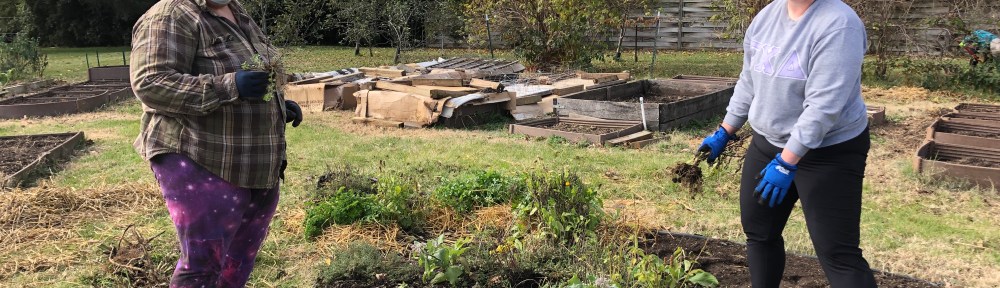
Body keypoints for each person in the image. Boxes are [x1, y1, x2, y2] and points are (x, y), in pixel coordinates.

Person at [697, 0, 875, 287]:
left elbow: (824, 107)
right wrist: (725, 130)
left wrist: (786, 162)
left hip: (829, 153)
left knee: (837, 253)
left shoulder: (839, 25)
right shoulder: (766, 17)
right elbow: (749, 80)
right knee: (759, 233)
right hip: (768, 143)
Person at [130, 0, 302, 286]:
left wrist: (279, 104)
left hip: (250, 164)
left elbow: (254, 73)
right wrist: (229, 86)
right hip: (199, 157)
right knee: (202, 265)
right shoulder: (171, 14)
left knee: (238, 260)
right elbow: (150, 82)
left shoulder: (236, 11)